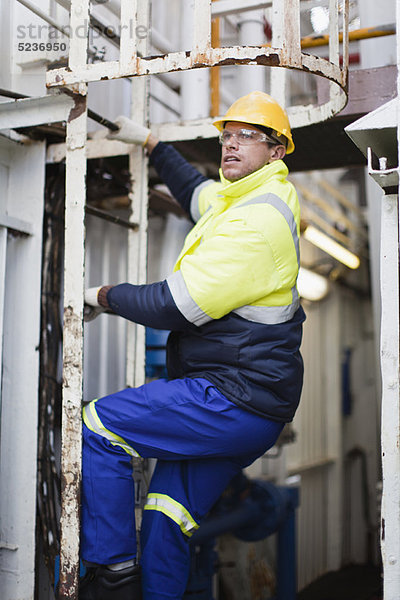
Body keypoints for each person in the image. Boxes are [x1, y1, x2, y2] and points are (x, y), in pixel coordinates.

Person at [81, 91, 305, 600]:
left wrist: (100, 295)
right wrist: (153, 143)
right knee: (167, 514)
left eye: (247, 136)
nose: (231, 144)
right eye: (226, 135)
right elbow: (195, 192)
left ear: (276, 151)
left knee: (100, 424)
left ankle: (112, 575)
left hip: (231, 397)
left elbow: (175, 305)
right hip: (255, 408)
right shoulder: (243, 197)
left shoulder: (258, 221)